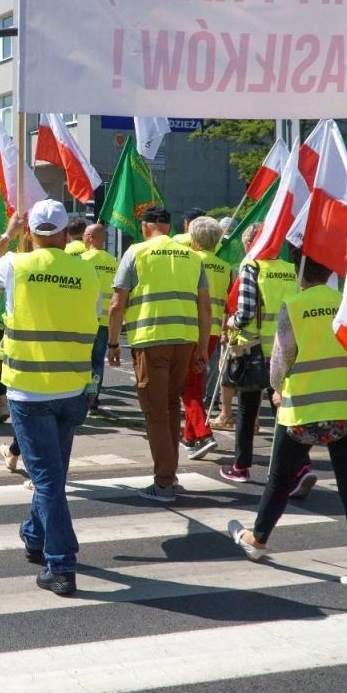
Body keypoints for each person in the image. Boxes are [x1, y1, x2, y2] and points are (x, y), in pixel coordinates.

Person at [0, 199, 100, 597]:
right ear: (65, 234)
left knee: (46, 480)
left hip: (30, 392)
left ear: (31, 233)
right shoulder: (87, 270)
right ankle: (33, 536)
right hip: (73, 389)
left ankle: (61, 565)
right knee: (53, 476)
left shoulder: (16, 264)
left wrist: (6, 237)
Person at [229, 250, 347, 595]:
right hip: (344, 406)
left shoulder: (293, 305)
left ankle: (258, 538)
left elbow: (281, 359)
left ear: (299, 271)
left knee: (279, 479)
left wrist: (276, 390)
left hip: (302, 407)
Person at [106, 206, 210, 504]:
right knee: (170, 406)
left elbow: (116, 304)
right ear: (168, 226)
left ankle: (164, 482)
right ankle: (170, 474)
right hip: (185, 341)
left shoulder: (136, 252)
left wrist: (114, 343)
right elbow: (204, 307)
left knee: (154, 411)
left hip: (152, 340)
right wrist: (202, 347)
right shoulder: (192, 256)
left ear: (145, 227)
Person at [219, 225, 305, 490]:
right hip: (285, 349)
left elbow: (245, 313)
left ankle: (241, 466)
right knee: (285, 410)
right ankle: (300, 466)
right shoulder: (290, 269)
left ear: (249, 245)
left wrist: (231, 321)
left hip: (254, 350)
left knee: (247, 408)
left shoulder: (252, 268)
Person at [181, 216, 231, 459]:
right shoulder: (225, 266)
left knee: (187, 386)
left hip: (192, 330)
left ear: (194, 239)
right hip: (212, 331)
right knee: (195, 383)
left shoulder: (190, 261)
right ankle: (190, 437)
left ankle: (203, 434)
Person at [79, 223, 120, 413]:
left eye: (85, 235)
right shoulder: (114, 262)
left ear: (90, 238)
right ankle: (93, 397)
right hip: (107, 321)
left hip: (86, 319)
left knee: (82, 360)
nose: (83, 238)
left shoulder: (83, 260)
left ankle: (81, 396)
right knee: (97, 362)